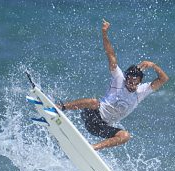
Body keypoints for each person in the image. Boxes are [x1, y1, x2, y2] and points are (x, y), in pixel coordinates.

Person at [58, 19, 169, 151]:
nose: (131, 83)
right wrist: (104, 33)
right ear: (126, 78)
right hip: (91, 114)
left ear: (139, 82)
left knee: (125, 135)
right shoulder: (118, 79)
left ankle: (92, 148)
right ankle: (61, 107)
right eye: (129, 80)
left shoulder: (141, 92)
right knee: (93, 102)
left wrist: (153, 65)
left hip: (100, 127)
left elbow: (163, 79)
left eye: (135, 82)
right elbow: (111, 55)